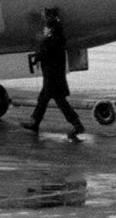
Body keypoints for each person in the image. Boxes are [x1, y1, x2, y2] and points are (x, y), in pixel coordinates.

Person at [23, 8, 83, 141]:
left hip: (52, 74)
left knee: (59, 101)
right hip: (53, 74)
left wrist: (39, 56)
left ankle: (77, 124)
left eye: (46, 15)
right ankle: (35, 123)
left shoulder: (53, 34)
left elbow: (48, 50)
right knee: (43, 99)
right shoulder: (56, 33)